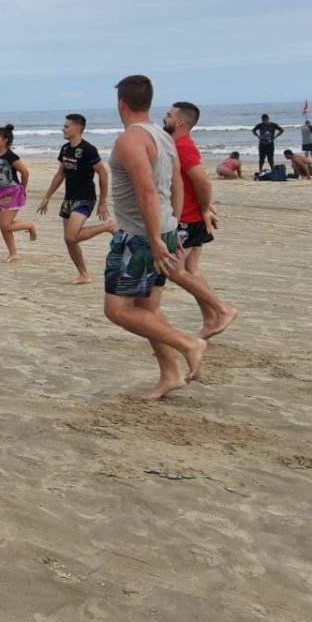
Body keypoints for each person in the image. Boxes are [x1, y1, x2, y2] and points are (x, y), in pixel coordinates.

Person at [103, 75, 206, 400]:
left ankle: (189, 343)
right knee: (147, 309)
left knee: (117, 309)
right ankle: (170, 373)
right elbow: (175, 183)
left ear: (121, 102)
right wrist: (171, 226)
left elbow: (146, 190)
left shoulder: (130, 140)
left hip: (139, 236)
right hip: (161, 229)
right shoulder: (163, 137)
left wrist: (155, 238)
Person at [162, 102, 238, 340]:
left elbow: (203, 181)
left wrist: (205, 208)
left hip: (187, 218)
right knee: (190, 270)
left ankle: (223, 310)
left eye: (169, 115)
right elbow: (191, 182)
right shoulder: (177, 145)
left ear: (181, 122)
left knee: (174, 271)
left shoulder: (183, 146)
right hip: (188, 215)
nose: (164, 118)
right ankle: (210, 319)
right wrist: (206, 206)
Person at [36, 114, 116, 283]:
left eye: (66, 126)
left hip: (85, 197)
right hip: (68, 198)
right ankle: (83, 275)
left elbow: (103, 174)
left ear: (77, 128)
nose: (62, 129)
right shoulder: (65, 149)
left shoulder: (88, 149)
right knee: (70, 241)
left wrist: (102, 201)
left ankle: (107, 226)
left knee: (71, 236)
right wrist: (47, 197)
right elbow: (60, 175)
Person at [0, 124, 37, 262]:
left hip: (12, 191)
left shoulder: (11, 156)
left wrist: (23, 188)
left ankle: (30, 225)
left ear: (5, 140)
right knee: (3, 227)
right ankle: (13, 253)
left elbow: (25, 172)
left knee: (6, 224)